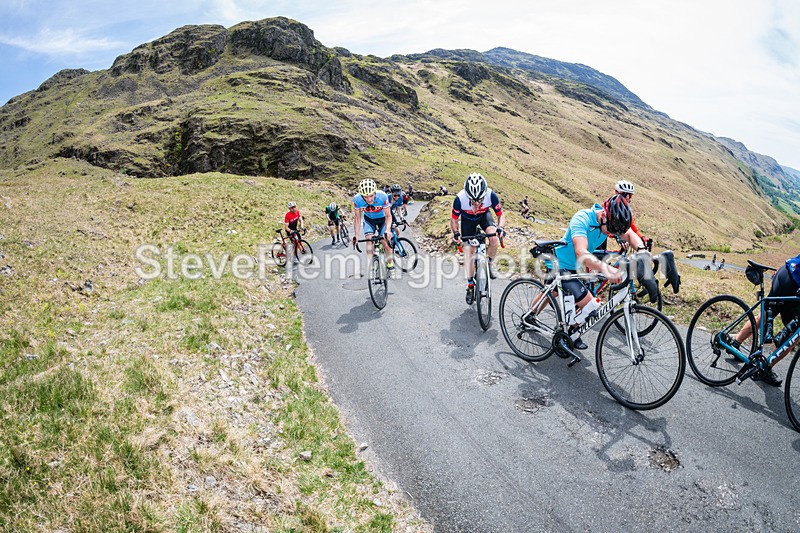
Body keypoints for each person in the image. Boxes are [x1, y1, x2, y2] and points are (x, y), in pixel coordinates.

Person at [551, 194, 649, 350]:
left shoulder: (609, 222)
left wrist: (643, 251)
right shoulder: (582, 218)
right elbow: (581, 252)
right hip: (560, 264)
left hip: (575, 268)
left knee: (575, 299)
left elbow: (630, 234)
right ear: (603, 215)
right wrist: (607, 269)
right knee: (589, 303)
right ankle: (528, 318)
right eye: (610, 229)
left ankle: (570, 333)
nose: (611, 233)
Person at [732, 253, 800, 386]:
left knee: (764, 315)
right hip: (794, 284)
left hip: (785, 273)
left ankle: (735, 343)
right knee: (794, 334)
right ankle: (765, 368)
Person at [451, 173, 506, 305]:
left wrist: (501, 228)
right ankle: (470, 286)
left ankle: (489, 264)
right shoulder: (460, 198)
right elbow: (453, 220)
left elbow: (501, 215)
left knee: (493, 239)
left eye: (479, 200)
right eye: (472, 200)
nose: (476, 203)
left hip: (483, 217)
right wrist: (456, 233)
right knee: (469, 252)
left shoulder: (490, 195)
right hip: (467, 221)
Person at [353, 178, 394, 269]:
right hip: (369, 220)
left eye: (371, 196)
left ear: (375, 192)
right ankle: (372, 266)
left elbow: (388, 216)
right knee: (369, 241)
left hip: (382, 220)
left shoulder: (382, 196)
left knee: (385, 242)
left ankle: (390, 263)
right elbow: (357, 218)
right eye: (366, 197)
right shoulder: (357, 199)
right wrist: (356, 235)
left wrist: (387, 230)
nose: (369, 199)